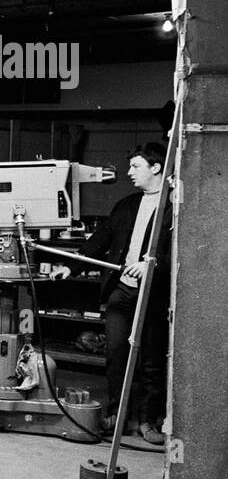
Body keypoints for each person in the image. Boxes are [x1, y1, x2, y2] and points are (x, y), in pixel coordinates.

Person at [59, 143, 172, 445]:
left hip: (155, 295)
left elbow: (177, 253)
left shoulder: (175, 206)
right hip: (122, 292)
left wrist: (152, 267)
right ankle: (116, 415)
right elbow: (101, 239)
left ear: (156, 167)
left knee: (150, 360)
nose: (129, 172)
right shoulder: (127, 204)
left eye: (136, 166)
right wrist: (71, 267)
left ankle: (148, 421)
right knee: (116, 356)